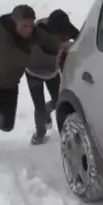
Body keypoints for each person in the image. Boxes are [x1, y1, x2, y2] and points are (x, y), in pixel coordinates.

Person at [0, 5, 63, 150]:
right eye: (25, 26)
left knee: (7, 126)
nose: (29, 29)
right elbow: (28, 59)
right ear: (14, 21)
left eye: (31, 25)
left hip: (9, 88)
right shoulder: (2, 39)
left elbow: (44, 38)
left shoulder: (30, 33)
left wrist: (62, 45)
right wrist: (55, 60)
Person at [25, 9, 79, 144]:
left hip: (52, 72)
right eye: (60, 33)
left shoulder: (63, 26)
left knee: (58, 100)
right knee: (39, 107)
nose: (64, 35)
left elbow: (78, 37)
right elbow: (52, 55)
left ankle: (47, 110)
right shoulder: (39, 33)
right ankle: (40, 135)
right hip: (34, 72)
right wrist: (65, 48)